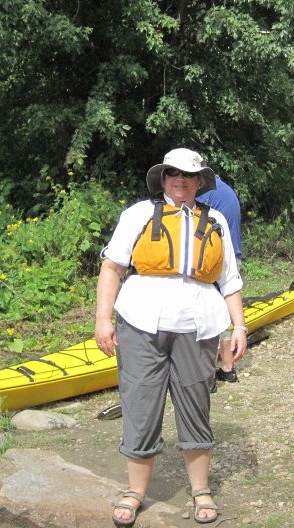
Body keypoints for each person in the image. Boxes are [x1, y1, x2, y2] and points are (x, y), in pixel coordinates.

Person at [95, 148, 248, 526]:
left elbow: (229, 281)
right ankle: (135, 491)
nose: (180, 180)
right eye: (173, 174)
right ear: (163, 179)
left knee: (195, 403)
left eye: (188, 175)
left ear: (199, 182)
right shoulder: (138, 214)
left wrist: (239, 326)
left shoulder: (215, 222)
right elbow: (112, 267)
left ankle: (200, 490)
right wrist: (103, 319)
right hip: (140, 320)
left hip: (199, 325)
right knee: (140, 400)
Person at [197, 171, 243, 387]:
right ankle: (227, 368)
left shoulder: (207, 195)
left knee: (211, 315)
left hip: (218, 258)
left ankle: (214, 373)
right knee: (222, 312)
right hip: (234, 253)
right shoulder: (226, 189)